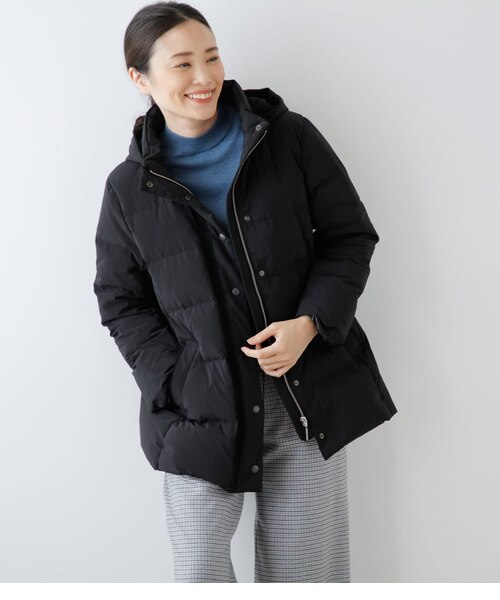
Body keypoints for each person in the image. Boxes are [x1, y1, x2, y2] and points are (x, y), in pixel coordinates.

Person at [93, 0, 398, 583]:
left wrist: (309, 324)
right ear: (141, 78)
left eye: (212, 57)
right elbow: (120, 300)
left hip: (303, 391)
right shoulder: (128, 189)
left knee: (304, 576)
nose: (204, 76)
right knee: (199, 571)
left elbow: (350, 237)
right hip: (198, 409)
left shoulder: (288, 138)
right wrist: (176, 377)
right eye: (182, 63)